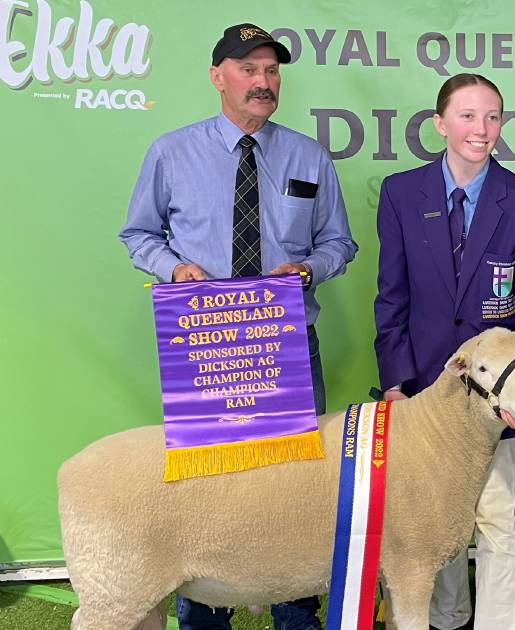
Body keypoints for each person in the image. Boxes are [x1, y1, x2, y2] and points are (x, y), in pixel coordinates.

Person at [118, 23, 357, 630]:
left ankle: (297, 618)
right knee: (208, 491)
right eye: (248, 69)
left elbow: (339, 242)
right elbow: (138, 235)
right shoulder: (171, 152)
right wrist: (175, 269)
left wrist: (307, 267)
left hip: (288, 346)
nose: (263, 82)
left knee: (295, 487)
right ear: (217, 76)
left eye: (271, 71)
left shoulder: (309, 155)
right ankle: (203, 618)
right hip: (206, 345)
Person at [372, 73, 515, 630]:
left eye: (492, 117)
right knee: (434, 517)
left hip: (496, 395)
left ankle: (500, 623)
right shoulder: (401, 194)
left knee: (496, 513)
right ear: (439, 124)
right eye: (466, 116)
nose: (480, 129)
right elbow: (392, 297)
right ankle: (447, 616)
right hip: (427, 394)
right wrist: (395, 379)